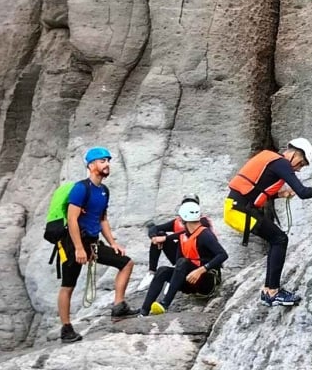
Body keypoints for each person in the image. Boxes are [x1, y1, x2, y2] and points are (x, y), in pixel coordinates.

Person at [223, 137, 312, 307]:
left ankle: (268, 291)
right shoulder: (281, 163)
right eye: (301, 164)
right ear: (294, 154)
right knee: (279, 239)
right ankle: (273, 292)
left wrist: (280, 194)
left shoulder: (273, 160)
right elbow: (303, 192)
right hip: (239, 211)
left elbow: (256, 189)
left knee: (277, 239)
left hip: (236, 209)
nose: (299, 169)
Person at [46, 147, 135, 343]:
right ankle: (66, 328)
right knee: (68, 285)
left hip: (93, 242)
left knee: (126, 263)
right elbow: (72, 219)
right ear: (91, 165)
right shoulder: (81, 188)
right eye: (102, 161)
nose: (107, 164)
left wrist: (113, 243)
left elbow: (102, 219)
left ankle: (119, 306)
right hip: (72, 243)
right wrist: (78, 248)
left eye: (108, 161)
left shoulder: (103, 190)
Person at [141, 199, 229, 315]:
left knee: (183, 262)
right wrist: (164, 238)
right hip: (191, 281)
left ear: (183, 220)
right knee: (163, 270)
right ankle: (144, 311)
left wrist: (201, 270)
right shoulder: (185, 235)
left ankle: (164, 304)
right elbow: (176, 240)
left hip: (206, 282)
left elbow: (223, 255)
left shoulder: (205, 234)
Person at [146, 194, 214, 274]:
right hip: (181, 254)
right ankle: (151, 272)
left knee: (165, 237)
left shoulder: (202, 221)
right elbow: (155, 228)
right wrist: (154, 237)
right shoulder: (178, 221)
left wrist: (166, 238)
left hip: (198, 258)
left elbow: (190, 232)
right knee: (160, 234)